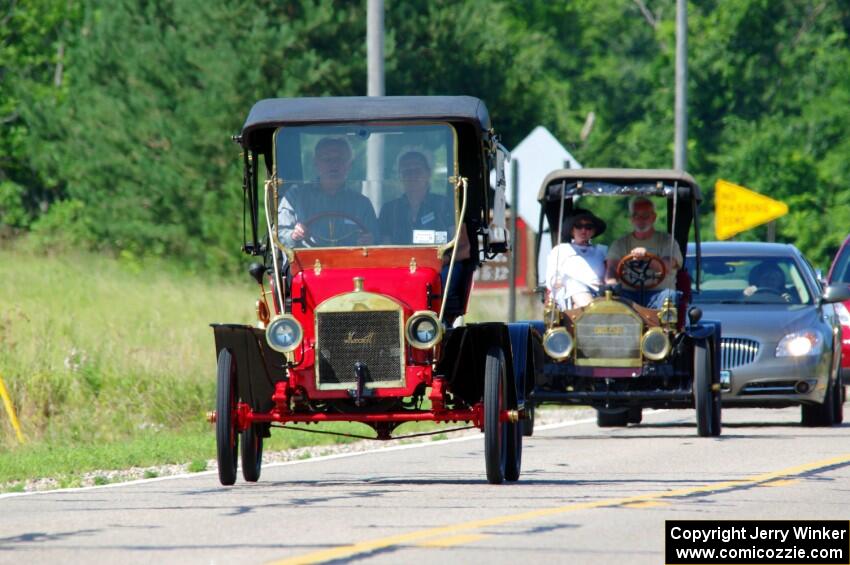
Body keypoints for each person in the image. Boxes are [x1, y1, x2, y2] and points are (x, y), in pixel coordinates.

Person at [277, 137, 379, 248]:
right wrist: (293, 235)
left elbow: (378, 240)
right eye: (327, 160)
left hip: (351, 263)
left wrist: (370, 240)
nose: (334, 165)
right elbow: (278, 234)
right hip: (306, 263)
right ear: (316, 163)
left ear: (350, 165)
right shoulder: (295, 196)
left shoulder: (362, 204)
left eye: (340, 159)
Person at [605, 196, 683, 309]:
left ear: (654, 217)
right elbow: (612, 268)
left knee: (669, 296)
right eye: (637, 215)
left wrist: (646, 258)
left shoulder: (668, 241)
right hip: (628, 295)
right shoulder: (620, 243)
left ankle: (666, 326)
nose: (641, 219)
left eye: (646, 216)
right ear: (632, 219)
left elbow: (665, 267)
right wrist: (611, 282)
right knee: (610, 297)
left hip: (658, 294)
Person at [545, 209, 607, 309]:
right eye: (579, 226)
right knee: (574, 284)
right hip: (567, 297)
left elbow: (612, 275)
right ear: (572, 230)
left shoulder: (602, 251)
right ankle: (591, 311)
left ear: (593, 231)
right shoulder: (560, 250)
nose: (583, 230)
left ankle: (590, 313)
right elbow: (551, 281)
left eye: (588, 227)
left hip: (600, 294)